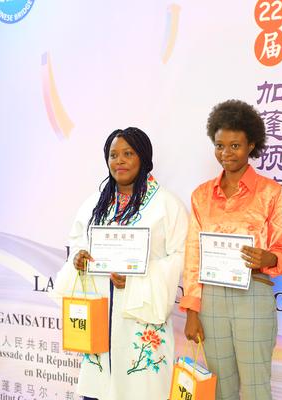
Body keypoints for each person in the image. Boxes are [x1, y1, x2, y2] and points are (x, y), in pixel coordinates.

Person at [54, 127, 188, 400]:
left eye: (128, 153)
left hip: (139, 315)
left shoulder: (166, 204)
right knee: (98, 387)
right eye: (113, 155)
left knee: (141, 387)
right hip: (101, 312)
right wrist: (78, 257)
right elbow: (78, 241)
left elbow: (180, 255)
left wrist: (139, 278)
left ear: (143, 158)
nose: (120, 161)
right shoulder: (95, 204)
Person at [180, 100, 282, 400]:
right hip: (211, 301)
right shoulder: (201, 195)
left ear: (251, 145)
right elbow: (193, 256)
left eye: (235, 146)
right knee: (220, 388)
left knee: (256, 388)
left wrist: (269, 258)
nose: (226, 153)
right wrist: (192, 311)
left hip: (253, 295)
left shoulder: (270, 192)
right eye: (219, 146)